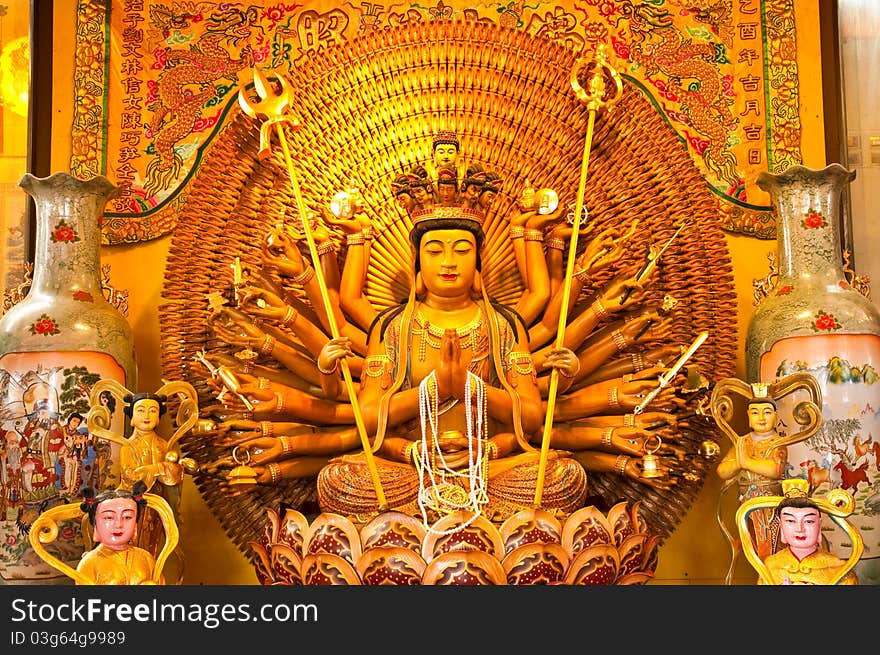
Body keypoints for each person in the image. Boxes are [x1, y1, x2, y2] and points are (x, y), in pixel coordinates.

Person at [715, 385, 787, 559]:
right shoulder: (742, 442)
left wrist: (745, 462)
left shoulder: (777, 442)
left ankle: (771, 578)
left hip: (771, 505)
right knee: (752, 548)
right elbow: (722, 471)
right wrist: (738, 463)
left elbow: (774, 469)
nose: (761, 418)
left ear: (775, 416)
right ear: (748, 415)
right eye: (755, 412)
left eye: (767, 412)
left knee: (773, 547)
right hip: (746, 505)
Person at [759, 479, 858, 585]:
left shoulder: (839, 569)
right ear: (781, 526)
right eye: (791, 521)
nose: (800, 529)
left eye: (808, 521)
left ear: (819, 526)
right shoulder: (770, 567)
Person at [75, 481, 163, 585]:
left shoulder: (146, 558)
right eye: (109, 517)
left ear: (135, 525)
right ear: (95, 525)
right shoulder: (89, 563)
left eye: (127, 517)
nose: (118, 524)